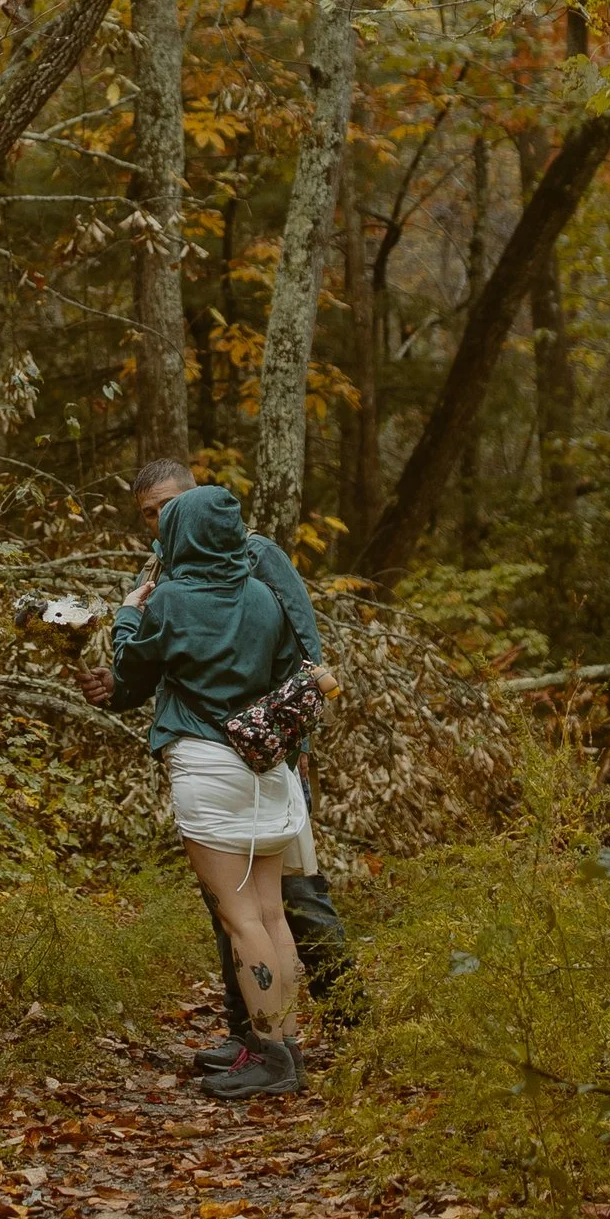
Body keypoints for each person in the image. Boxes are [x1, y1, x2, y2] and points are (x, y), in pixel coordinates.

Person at [125, 458, 353, 1071]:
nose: (163, 520)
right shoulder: (165, 570)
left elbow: (305, 656)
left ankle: (351, 1023)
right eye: (151, 513)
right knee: (241, 910)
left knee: (292, 902)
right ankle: (253, 1036)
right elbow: (170, 664)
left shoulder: (256, 556)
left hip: (270, 757)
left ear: (199, 501)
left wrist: (290, 746)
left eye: (172, 506)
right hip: (219, 755)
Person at [97, 478, 314, 1100]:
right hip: (265, 771)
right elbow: (284, 681)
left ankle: (271, 1057)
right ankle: (287, 1048)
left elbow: (131, 667)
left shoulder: (169, 601)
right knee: (272, 913)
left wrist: (126, 616)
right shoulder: (265, 599)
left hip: (207, 769)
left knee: (240, 917)